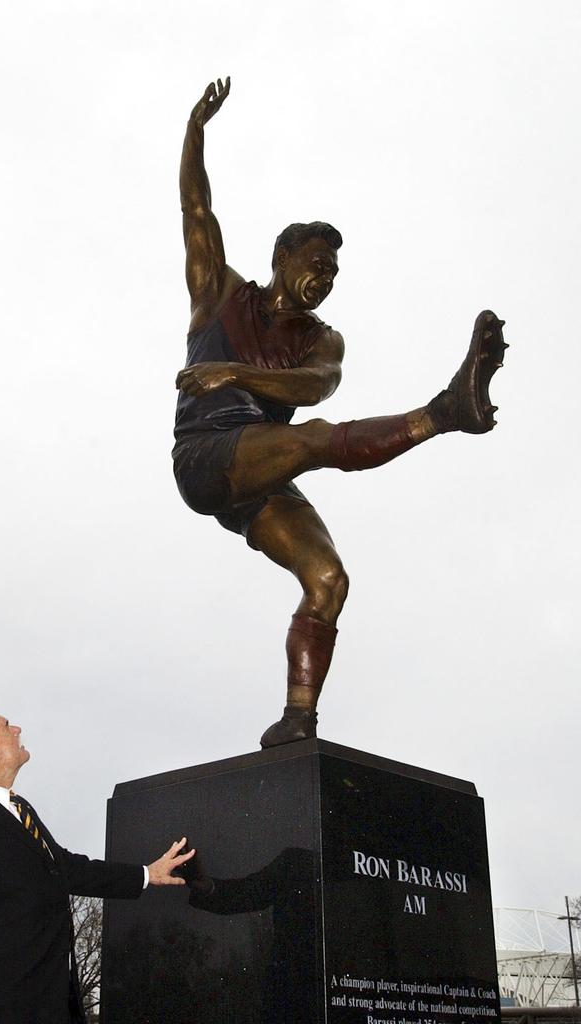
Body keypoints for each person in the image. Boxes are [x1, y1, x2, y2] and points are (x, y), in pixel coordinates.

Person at [173, 78, 506, 748]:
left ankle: (297, 720)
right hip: (207, 456)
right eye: (314, 264)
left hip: (264, 469)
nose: (323, 277)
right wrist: (195, 130)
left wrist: (230, 371)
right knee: (315, 442)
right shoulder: (219, 294)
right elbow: (195, 208)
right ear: (280, 259)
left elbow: (312, 390)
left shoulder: (325, 341)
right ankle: (446, 412)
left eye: (332, 271)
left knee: (329, 578)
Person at [0, 705, 194, 1024]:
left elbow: (64, 867)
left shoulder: (19, 810)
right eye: (6, 726)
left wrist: (147, 874)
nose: (17, 729)